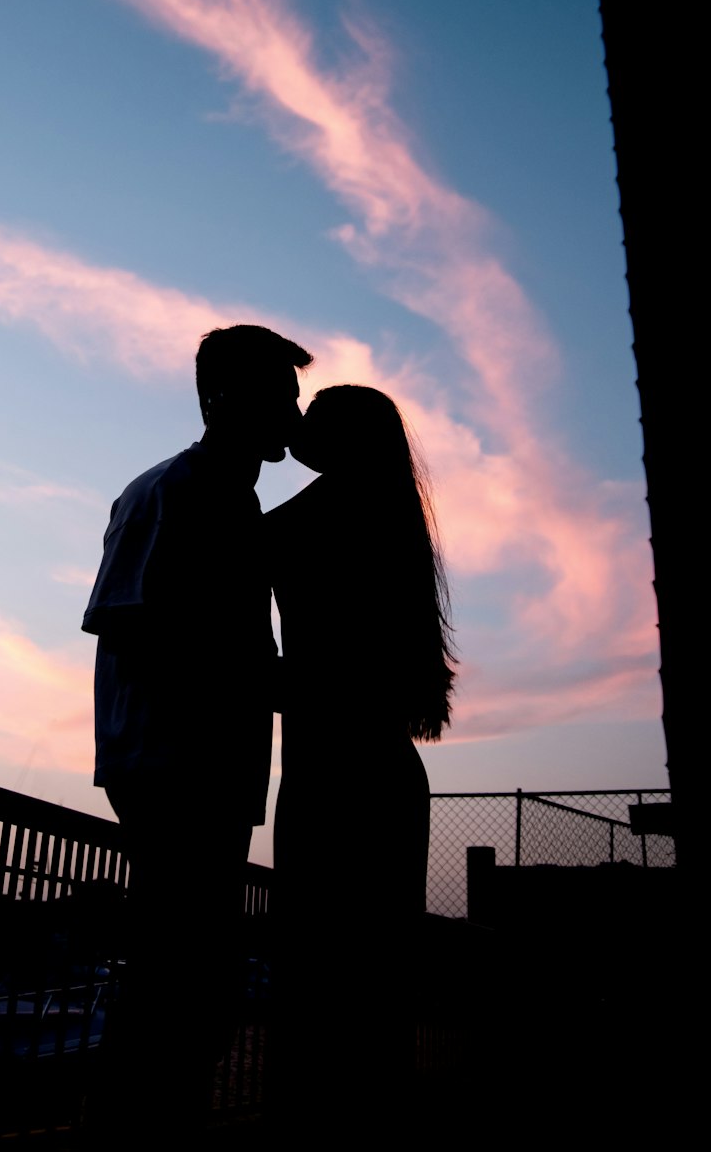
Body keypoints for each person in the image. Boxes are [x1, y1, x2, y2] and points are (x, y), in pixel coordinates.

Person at [82, 323, 313, 1137]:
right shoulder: (176, 490)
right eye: (279, 393)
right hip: (173, 766)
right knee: (180, 978)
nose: (293, 409)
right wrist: (268, 677)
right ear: (221, 399)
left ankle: (148, 1130)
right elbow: (129, 621)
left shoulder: (229, 497)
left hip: (200, 767)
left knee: (189, 976)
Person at [264, 384, 457, 1123]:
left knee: (314, 976)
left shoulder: (300, 524)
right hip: (386, 774)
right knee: (377, 984)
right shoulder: (395, 523)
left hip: (327, 775)